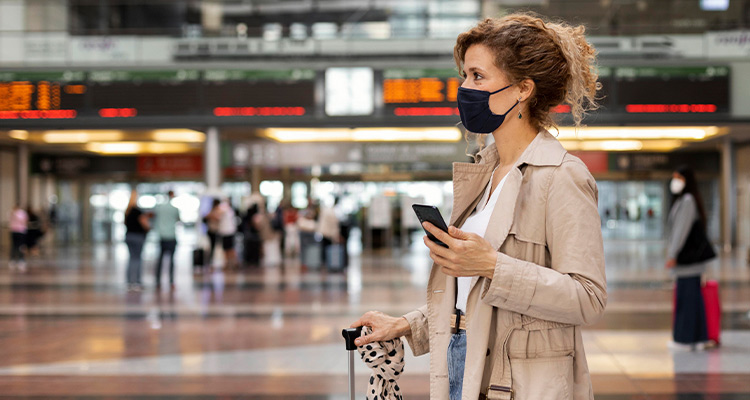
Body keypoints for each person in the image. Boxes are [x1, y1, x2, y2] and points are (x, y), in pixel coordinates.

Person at [350, 13, 607, 400]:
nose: (464, 88)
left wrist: (491, 264)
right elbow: (472, 296)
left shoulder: (561, 175)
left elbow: (588, 298)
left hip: (522, 380)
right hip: (462, 359)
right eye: (464, 76)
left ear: (522, 89)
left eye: (477, 76)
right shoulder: (484, 174)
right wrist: (404, 325)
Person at [665, 166, 711, 350]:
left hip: (687, 261)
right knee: (694, 300)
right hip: (692, 263)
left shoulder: (687, 201)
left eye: (678, 178)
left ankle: (685, 340)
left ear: (686, 180)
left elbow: (681, 231)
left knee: (686, 300)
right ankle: (699, 338)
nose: (674, 181)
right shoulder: (686, 200)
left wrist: (672, 254)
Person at [154, 190, 180, 289]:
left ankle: (158, 281)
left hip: (162, 236)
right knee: (171, 260)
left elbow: (155, 219)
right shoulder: (174, 209)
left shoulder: (160, 208)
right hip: (171, 236)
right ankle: (171, 281)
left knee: (160, 259)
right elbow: (178, 219)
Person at [124, 190, 150, 291]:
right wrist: (148, 229)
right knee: (137, 259)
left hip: (128, 236)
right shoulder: (138, 211)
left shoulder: (127, 211)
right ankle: (137, 282)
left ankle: (129, 282)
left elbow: (125, 223)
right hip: (138, 237)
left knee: (131, 259)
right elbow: (145, 223)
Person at [218, 199, 238, 269]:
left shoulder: (225, 208)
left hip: (227, 232)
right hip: (228, 231)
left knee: (228, 249)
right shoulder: (230, 210)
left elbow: (217, 214)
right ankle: (231, 263)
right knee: (229, 248)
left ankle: (231, 263)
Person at [9, 205, 28, 272]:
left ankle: (17, 260)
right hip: (18, 231)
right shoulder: (18, 213)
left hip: (17, 231)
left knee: (17, 246)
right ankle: (17, 260)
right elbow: (25, 222)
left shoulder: (15, 213)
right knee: (18, 246)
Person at [204, 199, 222, 267]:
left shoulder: (216, 211)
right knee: (212, 246)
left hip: (215, 230)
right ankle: (210, 261)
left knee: (214, 246)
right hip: (212, 230)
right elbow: (206, 217)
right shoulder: (212, 211)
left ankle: (211, 260)